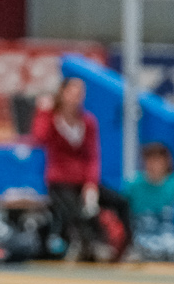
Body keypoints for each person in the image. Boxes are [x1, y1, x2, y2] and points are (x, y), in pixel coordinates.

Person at [31, 76, 130, 262]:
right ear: (63, 93)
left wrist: (91, 185)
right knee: (75, 211)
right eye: (73, 92)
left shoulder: (88, 121)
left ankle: (125, 248)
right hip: (60, 181)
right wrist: (43, 111)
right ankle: (88, 245)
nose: (77, 97)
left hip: (83, 181)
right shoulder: (52, 119)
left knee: (121, 201)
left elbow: (92, 156)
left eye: (81, 93)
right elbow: (39, 138)